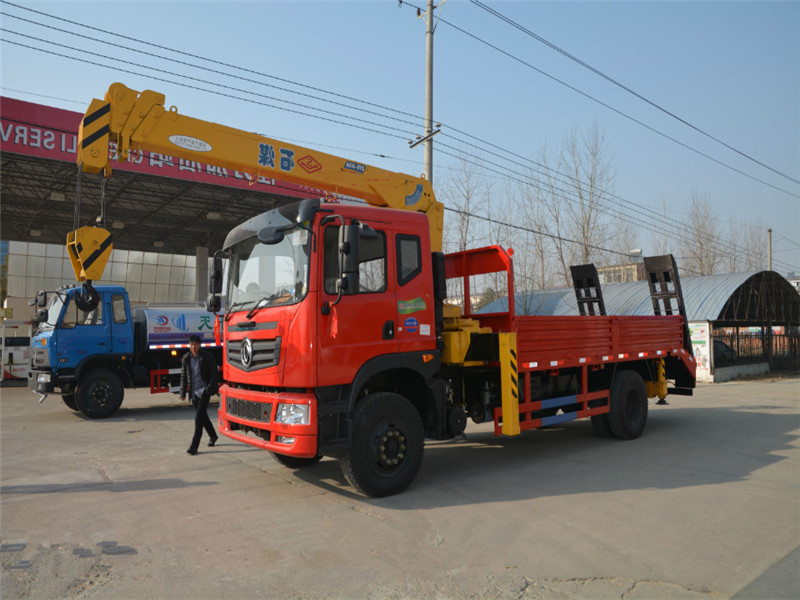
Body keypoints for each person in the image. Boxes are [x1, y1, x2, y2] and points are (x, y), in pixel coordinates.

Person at [179, 333, 219, 455]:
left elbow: (215, 373)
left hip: (204, 392)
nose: (193, 347)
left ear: (199, 345)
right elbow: (183, 376)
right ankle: (213, 436)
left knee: (198, 419)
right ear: (189, 345)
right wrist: (182, 392)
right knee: (203, 417)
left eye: (195, 344)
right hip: (193, 393)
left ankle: (194, 446)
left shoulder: (207, 357)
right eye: (191, 344)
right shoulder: (186, 358)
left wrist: (209, 388)